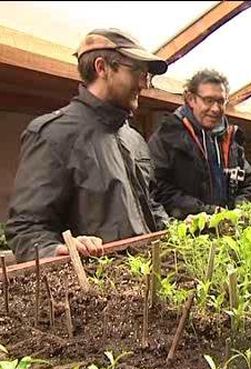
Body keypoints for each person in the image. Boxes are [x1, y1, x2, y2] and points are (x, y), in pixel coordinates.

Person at [6, 28, 170, 262]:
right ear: (102, 67)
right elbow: (26, 229)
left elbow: (150, 205)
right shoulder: (54, 134)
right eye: (137, 71)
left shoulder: (133, 138)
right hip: (99, 288)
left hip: (148, 281)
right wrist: (58, 249)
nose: (145, 84)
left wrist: (175, 230)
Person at [148, 69, 251, 219]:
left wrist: (238, 209)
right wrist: (209, 213)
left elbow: (249, 183)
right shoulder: (168, 136)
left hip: (229, 231)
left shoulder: (231, 140)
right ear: (191, 99)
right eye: (209, 100)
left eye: (221, 101)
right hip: (188, 235)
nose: (215, 109)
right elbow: (160, 190)